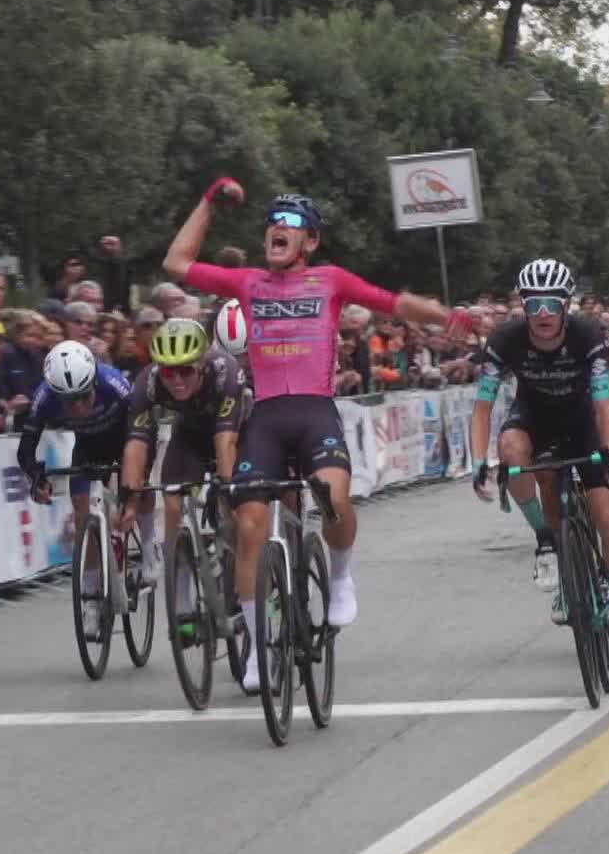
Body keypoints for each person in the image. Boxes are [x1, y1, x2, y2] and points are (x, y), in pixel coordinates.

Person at [162, 181, 451, 654]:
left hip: (315, 411)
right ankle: (257, 650)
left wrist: (446, 317)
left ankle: (340, 578)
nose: (278, 226)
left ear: (310, 242)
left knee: (335, 496)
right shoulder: (247, 282)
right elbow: (176, 264)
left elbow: (393, 303)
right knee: (250, 524)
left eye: (292, 222)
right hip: (269, 418)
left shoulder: (331, 280)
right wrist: (207, 202)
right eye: (272, 221)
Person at [469, 259, 609, 669]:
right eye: (533, 305)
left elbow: (604, 404)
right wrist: (478, 461)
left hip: (583, 419)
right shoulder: (506, 339)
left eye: (551, 304)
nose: (543, 314)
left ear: (567, 306)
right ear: (522, 309)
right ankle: (549, 541)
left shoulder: (587, 334)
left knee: (606, 515)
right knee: (515, 453)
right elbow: (482, 407)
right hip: (535, 418)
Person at [119, 319, 248, 647]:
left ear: (202, 364)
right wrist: (130, 499)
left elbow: (225, 441)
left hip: (235, 435)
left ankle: (239, 582)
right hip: (189, 440)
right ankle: (183, 608)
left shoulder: (226, 372)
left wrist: (227, 488)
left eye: (185, 371)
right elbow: (136, 443)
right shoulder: (147, 383)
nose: (176, 380)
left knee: (234, 507)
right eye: (168, 371)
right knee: (174, 509)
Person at [17, 341, 143, 641]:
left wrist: (132, 490)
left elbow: (141, 432)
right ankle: (89, 600)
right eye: (68, 402)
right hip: (86, 449)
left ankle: (144, 546)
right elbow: (25, 450)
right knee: (83, 511)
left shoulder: (115, 384)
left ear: (94, 382)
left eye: (83, 397)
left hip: (124, 441)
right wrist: (37, 479)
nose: (77, 408)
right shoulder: (44, 397)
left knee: (132, 491)